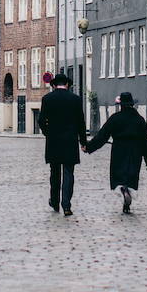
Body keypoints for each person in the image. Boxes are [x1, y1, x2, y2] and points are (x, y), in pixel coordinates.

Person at [85, 91, 147, 214]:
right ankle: (128, 193)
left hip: (119, 150)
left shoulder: (115, 118)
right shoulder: (139, 120)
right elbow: (146, 142)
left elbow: (102, 136)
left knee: (119, 175)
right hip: (135, 151)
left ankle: (123, 191)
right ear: (132, 104)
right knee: (131, 175)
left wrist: (89, 147)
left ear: (121, 105)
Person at [36, 73, 87, 216]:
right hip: (70, 141)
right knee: (69, 173)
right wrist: (83, 142)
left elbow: (41, 120)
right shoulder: (75, 99)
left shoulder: (47, 99)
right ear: (67, 84)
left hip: (53, 141)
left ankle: (54, 201)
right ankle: (66, 205)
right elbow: (81, 123)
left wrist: (48, 133)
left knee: (54, 173)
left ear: (53, 85)